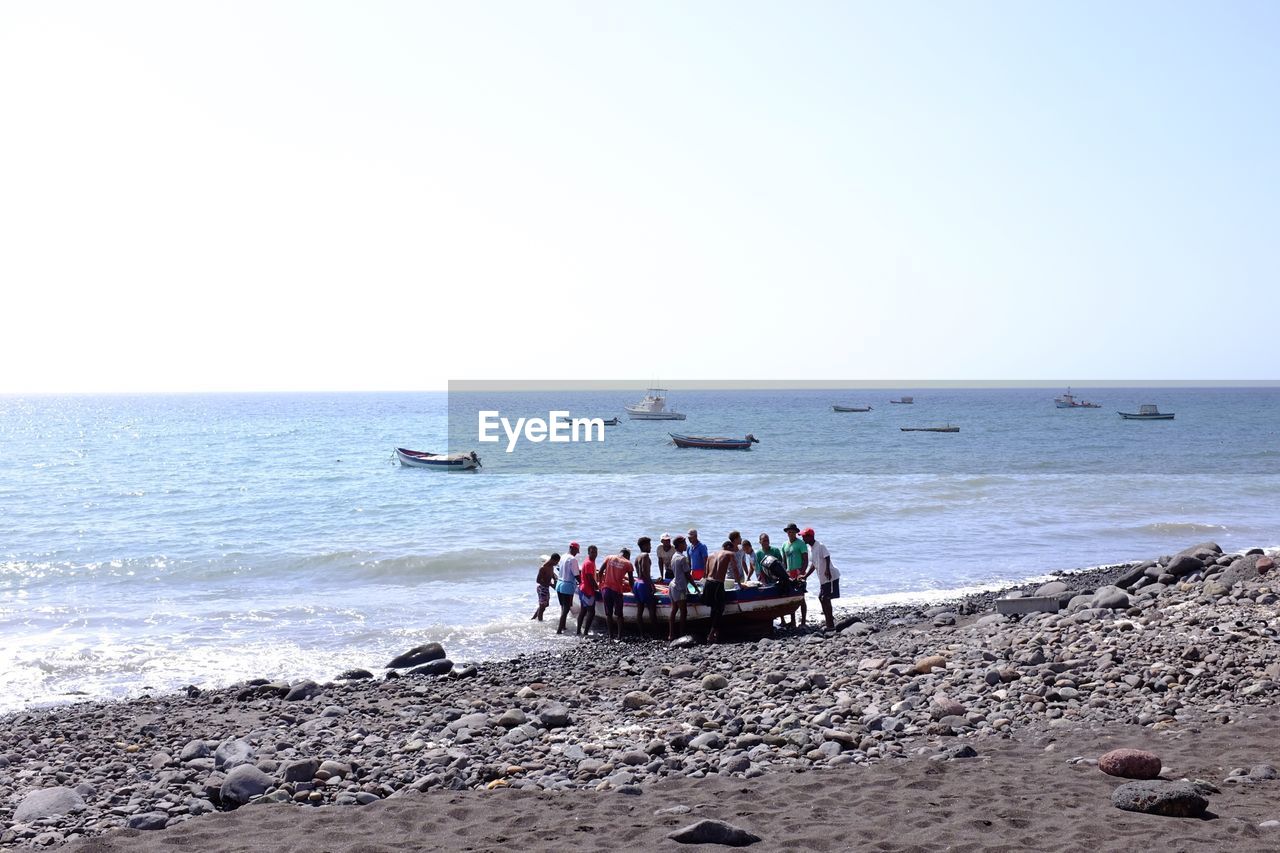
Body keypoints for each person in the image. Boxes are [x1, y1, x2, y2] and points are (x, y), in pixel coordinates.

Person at [802, 528, 839, 631]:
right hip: (823, 578)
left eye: (804, 536)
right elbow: (814, 565)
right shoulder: (810, 548)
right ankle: (829, 622)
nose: (803, 538)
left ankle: (830, 625)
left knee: (825, 598)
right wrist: (805, 576)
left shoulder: (820, 545)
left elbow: (827, 557)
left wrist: (827, 570)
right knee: (822, 598)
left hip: (830, 576)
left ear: (810, 536)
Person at [703, 541, 736, 644]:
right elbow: (735, 569)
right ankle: (711, 635)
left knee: (714, 608)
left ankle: (716, 633)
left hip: (708, 583)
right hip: (718, 584)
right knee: (720, 609)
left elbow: (706, 573)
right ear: (728, 547)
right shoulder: (729, 553)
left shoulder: (711, 555)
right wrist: (740, 583)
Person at [599, 547, 634, 641]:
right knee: (619, 615)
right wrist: (633, 590)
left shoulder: (609, 557)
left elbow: (601, 571)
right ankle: (619, 636)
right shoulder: (628, 563)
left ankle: (611, 636)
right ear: (627, 555)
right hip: (617, 591)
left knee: (609, 614)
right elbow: (631, 580)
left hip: (606, 590)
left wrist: (600, 584)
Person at [782, 522, 809, 627]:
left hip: (799, 572)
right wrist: (785, 574)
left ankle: (803, 622)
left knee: (801, 597)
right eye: (789, 532)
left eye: (792, 532)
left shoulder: (801, 544)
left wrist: (801, 574)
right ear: (787, 533)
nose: (790, 533)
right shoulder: (784, 545)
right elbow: (784, 562)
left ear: (796, 533)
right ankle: (793, 621)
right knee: (791, 597)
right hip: (789, 573)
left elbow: (805, 561)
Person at [667, 535, 692, 641]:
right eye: (684, 543)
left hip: (672, 585)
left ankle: (671, 634)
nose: (686, 545)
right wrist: (695, 587)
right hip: (680, 587)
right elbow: (688, 575)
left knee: (674, 610)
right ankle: (682, 634)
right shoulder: (682, 558)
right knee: (683, 611)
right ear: (680, 545)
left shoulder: (674, 556)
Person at [633, 537, 658, 637]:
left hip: (637, 583)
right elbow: (645, 572)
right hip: (644, 584)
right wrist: (652, 585)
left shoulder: (637, 556)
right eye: (649, 545)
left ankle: (642, 633)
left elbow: (640, 572)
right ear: (644, 546)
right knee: (652, 608)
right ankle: (655, 633)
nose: (650, 547)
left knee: (640, 610)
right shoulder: (645, 555)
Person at [556, 542, 581, 634]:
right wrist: (582, 583)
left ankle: (563, 626)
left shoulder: (563, 556)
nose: (576, 553)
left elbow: (558, 568)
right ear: (572, 549)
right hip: (567, 586)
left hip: (559, 584)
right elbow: (576, 575)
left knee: (563, 608)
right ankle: (559, 630)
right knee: (566, 609)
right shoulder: (572, 559)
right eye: (576, 551)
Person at [576, 545, 599, 636]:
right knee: (591, 612)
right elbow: (590, 578)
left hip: (582, 589)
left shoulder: (589, 561)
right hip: (587, 591)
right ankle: (585, 632)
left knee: (583, 610)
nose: (594, 554)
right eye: (592, 552)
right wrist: (597, 587)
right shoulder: (589, 563)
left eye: (596, 552)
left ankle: (579, 631)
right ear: (588, 553)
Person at [532, 553, 560, 622]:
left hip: (546, 588)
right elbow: (538, 580)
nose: (557, 564)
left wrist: (555, 578)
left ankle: (533, 618)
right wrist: (550, 584)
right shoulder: (543, 568)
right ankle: (540, 623)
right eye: (557, 562)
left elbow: (552, 574)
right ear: (553, 560)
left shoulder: (551, 566)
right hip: (542, 588)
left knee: (544, 606)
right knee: (542, 607)